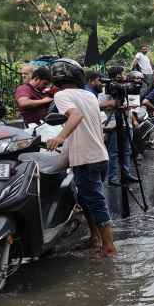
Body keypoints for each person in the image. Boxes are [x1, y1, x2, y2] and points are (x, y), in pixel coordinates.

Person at [45, 58, 116, 257]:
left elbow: (75, 116)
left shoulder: (61, 95)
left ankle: (109, 246)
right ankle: (95, 239)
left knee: (94, 200)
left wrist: (60, 137)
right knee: (85, 199)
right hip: (99, 155)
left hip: (86, 158)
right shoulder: (89, 95)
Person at [99, 66, 137, 186]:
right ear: (116, 75)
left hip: (127, 123)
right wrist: (115, 104)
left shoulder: (125, 87)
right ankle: (113, 177)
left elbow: (133, 102)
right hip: (113, 124)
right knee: (114, 152)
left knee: (127, 151)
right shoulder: (106, 89)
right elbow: (100, 105)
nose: (124, 76)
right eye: (122, 73)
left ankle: (126, 174)